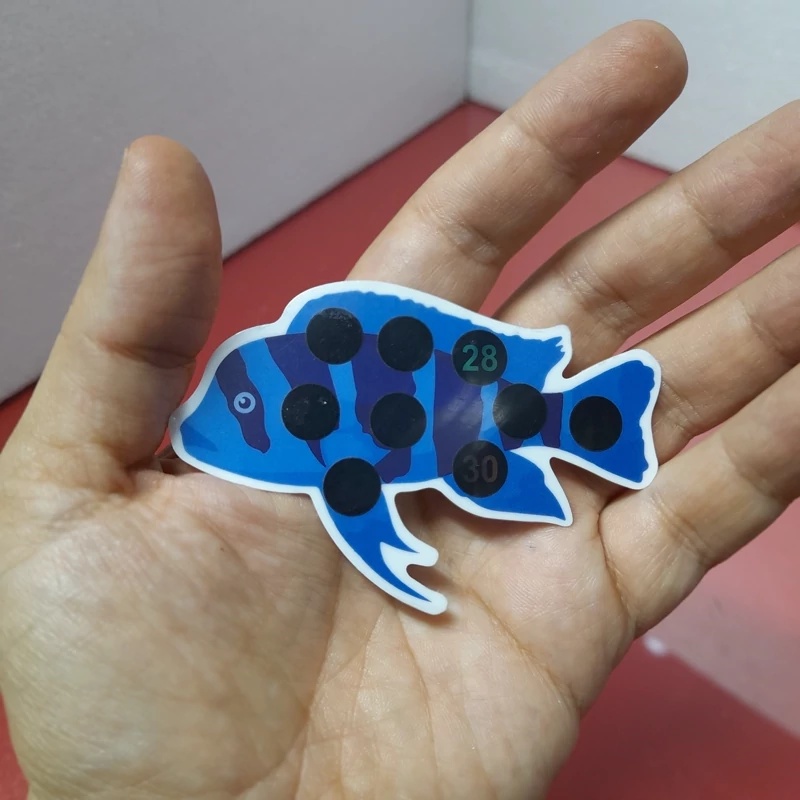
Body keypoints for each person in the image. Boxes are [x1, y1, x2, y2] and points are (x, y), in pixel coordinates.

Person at [0, 20, 798, 800]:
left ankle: (587, 421)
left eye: (242, 406)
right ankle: (581, 422)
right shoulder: (315, 440)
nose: (198, 431)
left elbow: (356, 491)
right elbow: (356, 492)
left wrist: (389, 552)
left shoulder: (323, 440)